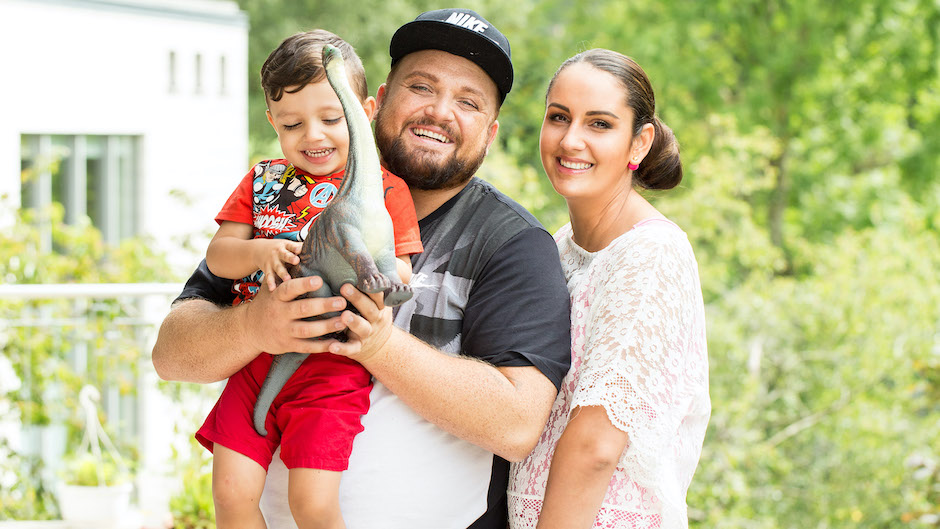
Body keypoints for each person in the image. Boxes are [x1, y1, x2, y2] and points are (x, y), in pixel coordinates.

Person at [152, 8, 572, 529]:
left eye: (468, 102)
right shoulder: (285, 197)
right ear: (377, 100)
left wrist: (378, 344)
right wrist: (252, 325)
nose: (440, 111)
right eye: (422, 87)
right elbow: (171, 354)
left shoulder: (512, 243)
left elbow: (516, 423)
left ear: (490, 132)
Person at [196, 30, 423, 529]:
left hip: (333, 366)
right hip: (256, 354)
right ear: (273, 122)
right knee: (231, 494)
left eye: (331, 118)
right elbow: (219, 257)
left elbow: (401, 266)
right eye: (293, 124)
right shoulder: (264, 180)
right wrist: (260, 250)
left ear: (363, 111)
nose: (313, 137)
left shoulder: (385, 190)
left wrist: (377, 283)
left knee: (313, 504)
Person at [506, 49, 711, 529]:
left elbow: (597, 444)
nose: (571, 139)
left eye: (599, 124)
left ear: (639, 143)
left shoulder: (651, 254)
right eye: (559, 117)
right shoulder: (559, 247)